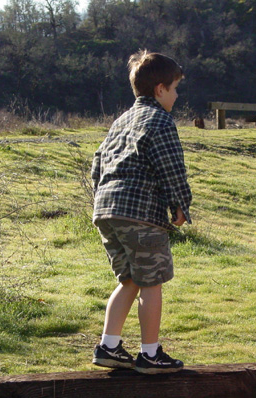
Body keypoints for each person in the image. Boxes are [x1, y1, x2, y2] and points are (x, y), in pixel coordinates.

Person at [90, 50, 192, 375]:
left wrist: (102, 200)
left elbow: (97, 163)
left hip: (106, 210)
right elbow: (171, 166)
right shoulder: (160, 120)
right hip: (140, 214)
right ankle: (150, 353)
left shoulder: (120, 121)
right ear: (160, 89)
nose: (176, 96)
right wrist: (180, 203)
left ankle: (108, 346)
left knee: (130, 280)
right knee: (152, 282)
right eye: (175, 88)